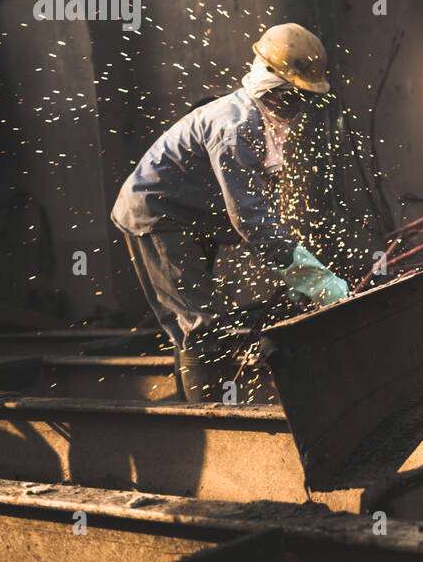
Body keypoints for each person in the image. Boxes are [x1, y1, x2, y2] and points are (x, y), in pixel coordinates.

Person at [111, 23, 349, 402]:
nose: (299, 108)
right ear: (274, 84)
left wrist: (294, 273)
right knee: (202, 325)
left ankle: (192, 406)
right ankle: (213, 421)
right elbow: (250, 216)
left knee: (192, 320)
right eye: (294, 97)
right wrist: (308, 274)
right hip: (158, 217)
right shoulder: (238, 125)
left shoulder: (263, 119)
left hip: (189, 217)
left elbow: (254, 206)